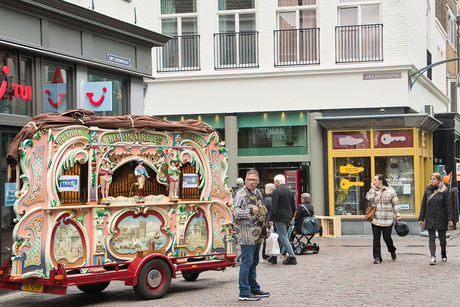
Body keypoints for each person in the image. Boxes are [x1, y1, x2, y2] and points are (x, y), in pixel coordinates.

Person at [233, 169, 270, 301]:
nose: (251, 182)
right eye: (249, 179)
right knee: (247, 262)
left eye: (254, 180)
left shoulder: (258, 192)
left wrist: (266, 227)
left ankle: (253, 287)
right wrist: (249, 210)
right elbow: (236, 213)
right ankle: (244, 291)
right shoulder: (240, 194)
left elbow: (262, 211)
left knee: (254, 262)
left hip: (257, 233)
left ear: (258, 181)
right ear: (245, 180)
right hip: (246, 234)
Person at [418, 172, 454, 265]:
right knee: (431, 238)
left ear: (438, 180)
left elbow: (449, 206)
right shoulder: (427, 190)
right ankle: (433, 256)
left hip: (441, 217)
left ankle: (443, 251)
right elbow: (423, 206)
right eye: (431, 179)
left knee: (442, 239)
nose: (432, 181)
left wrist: (450, 219)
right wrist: (421, 218)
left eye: (434, 179)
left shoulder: (444, 191)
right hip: (430, 216)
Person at [366, 174, 401, 264]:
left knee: (387, 237)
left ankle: (392, 250)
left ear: (381, 181)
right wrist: (372, 189)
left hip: (387, 218)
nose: (373, 181)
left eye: (375, 180)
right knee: (376, 238)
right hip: (376, 219)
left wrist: (397, 215)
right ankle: (377, 257)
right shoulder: (373, 190)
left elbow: (395, 203)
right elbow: (369, 198)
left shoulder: (390, 190)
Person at [269, 174, 297, 265]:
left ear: (277, 181)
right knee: (280, 236)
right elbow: (293, 206)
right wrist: (291, 217)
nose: (274, 183)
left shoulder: (277, 191)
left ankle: (292, 256)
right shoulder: (289, 190)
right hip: (287, 216)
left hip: (279, 216)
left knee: (283, 236)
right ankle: (274, 256)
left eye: (274, 182)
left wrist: (271, 218)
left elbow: (274, 206)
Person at [262, 183, 275, 260]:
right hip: (274, 220)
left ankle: (265, 255)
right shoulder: (276, 199)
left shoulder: (267, 200)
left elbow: (264, 211)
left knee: (266, 237)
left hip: (268, 220)